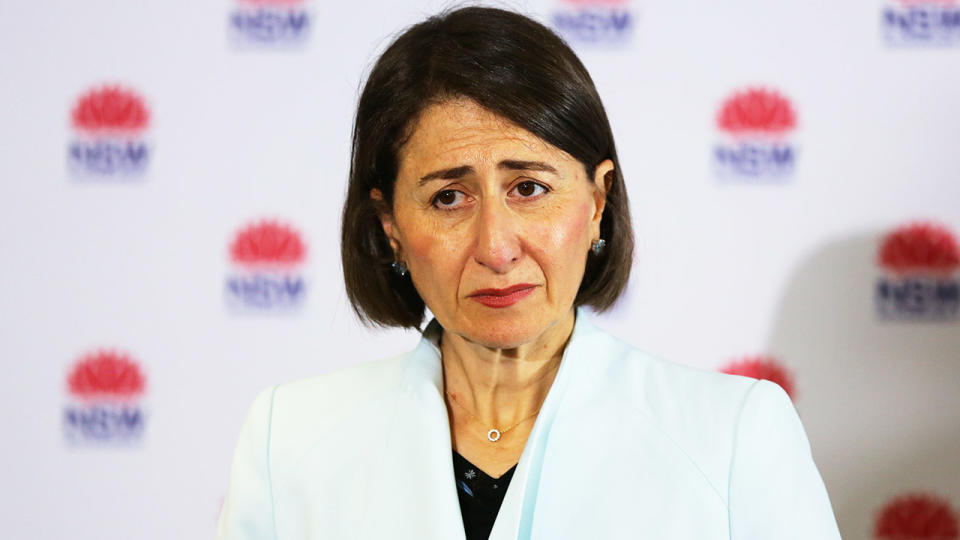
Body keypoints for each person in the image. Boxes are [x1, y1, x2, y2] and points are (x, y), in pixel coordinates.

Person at [216, 6, 841, 540]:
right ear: (390, 227)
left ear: (597, 204)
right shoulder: (289, 442)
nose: (496, 247)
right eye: (448, 198)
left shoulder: (731, 436)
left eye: (529, 187)